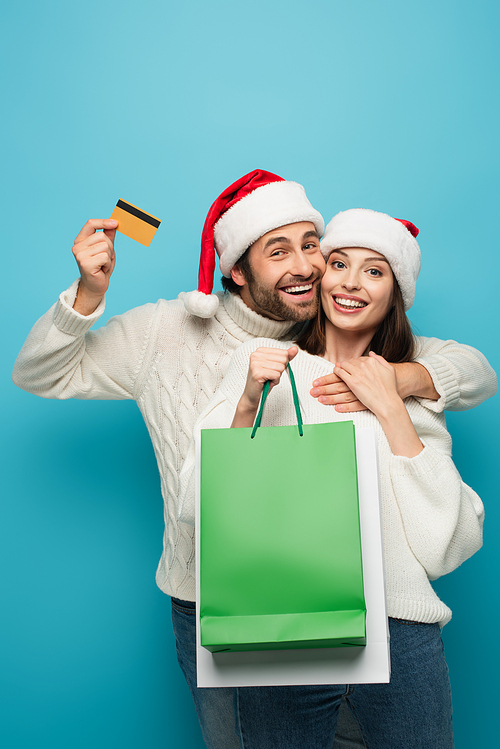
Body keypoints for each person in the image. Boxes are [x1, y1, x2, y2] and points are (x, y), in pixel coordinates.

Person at [12, 171, 497, 749]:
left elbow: (472, 371)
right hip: (219, 599)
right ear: (236, 270)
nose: (308, 267)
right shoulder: (172, 334)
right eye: (279, 251)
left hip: (366, 603)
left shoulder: (346, 343)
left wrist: (399, 382)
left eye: (313, 247)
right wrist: (87, 296)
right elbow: (42, 373)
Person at [179, 208, 494, 748]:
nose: (350, 282)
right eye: (339, 263)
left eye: (374, 270)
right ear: (320, 276)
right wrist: (248, 403)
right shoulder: (263, 364)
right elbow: (197, 504)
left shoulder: (417, 382)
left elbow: (449, 547)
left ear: (396, 292)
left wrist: (392, 405)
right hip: (284, 632)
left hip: (401, 635)